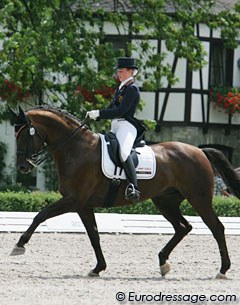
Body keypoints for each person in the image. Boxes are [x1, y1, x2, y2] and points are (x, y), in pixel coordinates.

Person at [86, 57, 141, 201]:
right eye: (118, 71)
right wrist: (96, 115)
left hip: (126, 126)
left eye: (121, 71)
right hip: (116, 126)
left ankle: (133, 187)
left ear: (130, 71)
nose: (119, 74)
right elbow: (112, 108)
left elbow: (120, 111)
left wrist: (100, 113)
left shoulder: (132, 88)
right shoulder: (121, 88)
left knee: (123, 152)